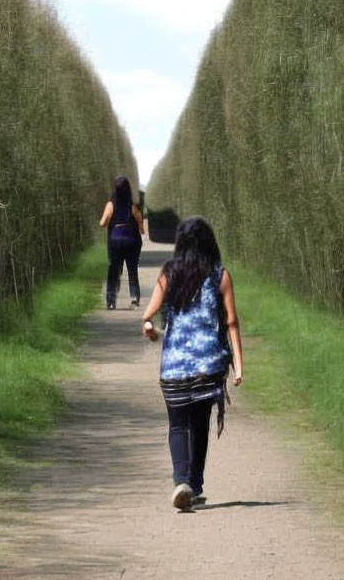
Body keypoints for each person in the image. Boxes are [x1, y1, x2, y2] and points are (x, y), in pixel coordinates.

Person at [139, 216, 244, 511]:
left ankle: (182, 482)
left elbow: (148, 316)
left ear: (180, 244)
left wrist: (149, 328)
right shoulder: (219, 275)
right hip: (208, 367)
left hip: (173, 367)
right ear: (210, 243)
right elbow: (232, 322)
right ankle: (193, 486)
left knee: (177, 425)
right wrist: (238, 362)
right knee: (199, 424)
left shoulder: (168, 274)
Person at [98, 176, 144, 309]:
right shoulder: (132, 206)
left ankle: (111, 300)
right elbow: (140, 224)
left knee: (113, 270)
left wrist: (108, 223)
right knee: (132, 270)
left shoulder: (110, 205)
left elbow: (102, 223)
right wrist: (140, 229)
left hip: (115, 242)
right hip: (131, 241)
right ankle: (134, 298)